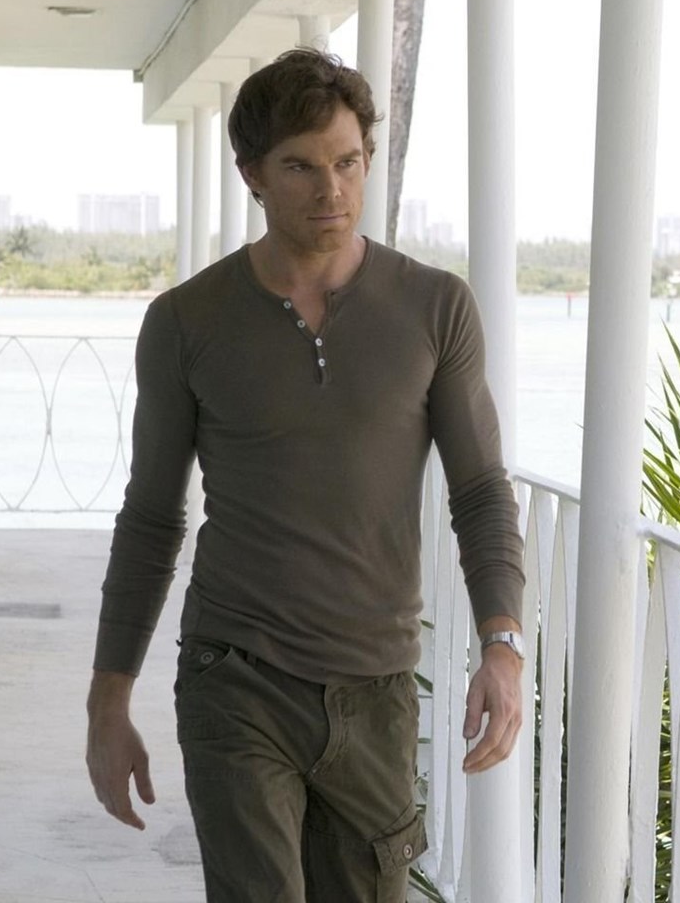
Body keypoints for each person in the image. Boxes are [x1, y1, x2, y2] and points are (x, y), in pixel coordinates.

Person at [85, 48, 526, 902]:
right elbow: (151, 519)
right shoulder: (186, 322)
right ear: (251, 174)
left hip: (378, 685)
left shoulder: (436, 307)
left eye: (348, 162)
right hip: (235, 674)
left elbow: (479, 493)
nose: (332, 189)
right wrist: (109, 699)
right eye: (301, 167)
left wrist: (502, 648)